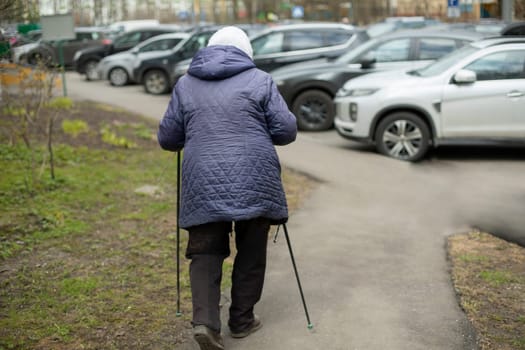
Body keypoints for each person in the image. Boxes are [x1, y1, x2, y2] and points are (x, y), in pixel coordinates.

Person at [157, 26, 297, 350]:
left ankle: (206, 323)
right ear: (246, 51)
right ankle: (242, 321)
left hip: (202, 179)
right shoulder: (260, 79)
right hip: (255, 177)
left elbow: (168, 139)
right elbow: (286, 130)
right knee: (251, 249)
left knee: (205, 250)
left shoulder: (185, 84)